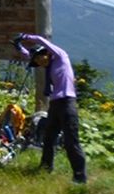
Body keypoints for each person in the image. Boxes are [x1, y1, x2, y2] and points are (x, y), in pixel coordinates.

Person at [15, 33, 88, 184]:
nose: (38, 62)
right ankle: (45, 167)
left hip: (67, 102)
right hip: (55, 104)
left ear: (45, 53)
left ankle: (79, 176)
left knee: (71, 141)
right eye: (36, 61)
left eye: (38, 58)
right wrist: (18, 46)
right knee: (48, 138)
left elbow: (41, 41)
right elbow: (29, 55)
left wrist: (24, 36)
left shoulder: (61, 57)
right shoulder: (46, 64)